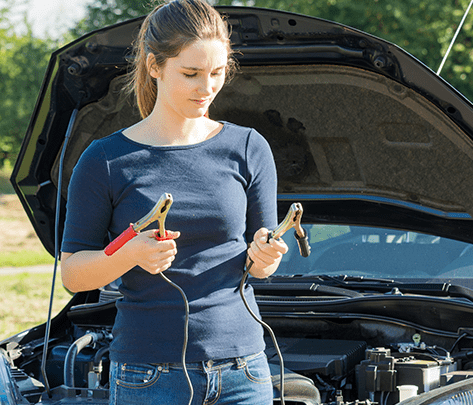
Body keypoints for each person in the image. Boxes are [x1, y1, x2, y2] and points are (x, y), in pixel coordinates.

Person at [59, 0, 288, 404]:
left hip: (244, 371)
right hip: (149, 375)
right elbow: (74, 275)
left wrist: (265, 257)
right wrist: (129, 255)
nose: (207, 88)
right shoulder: (105, 160)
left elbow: (259, 260)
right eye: (191, 73)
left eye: (217, 73)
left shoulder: (249, 147)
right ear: (154, 66)